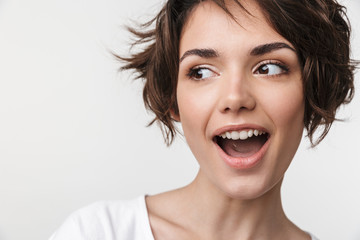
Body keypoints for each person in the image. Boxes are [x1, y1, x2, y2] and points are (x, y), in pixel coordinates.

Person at [50, 0, 357, 239]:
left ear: (314, 90)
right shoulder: (97, 234)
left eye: (269, 67)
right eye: (201, 72)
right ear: (173, 100)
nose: (235, 98)